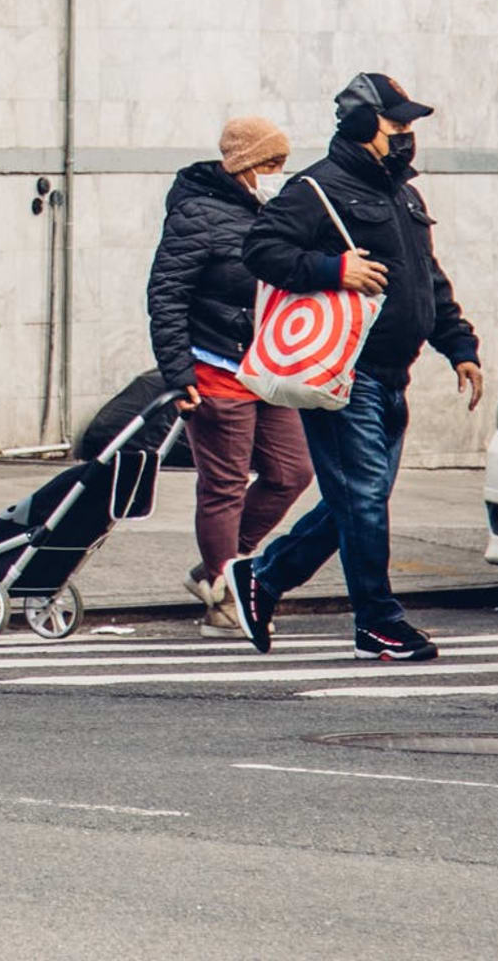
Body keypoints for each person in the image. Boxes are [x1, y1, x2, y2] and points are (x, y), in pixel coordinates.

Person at [226, 73, 484, 662]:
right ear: (366, 125)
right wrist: (331, 269)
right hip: (347, 376)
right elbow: (261, 249)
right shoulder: (317, 189)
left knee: (355, 501)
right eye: (398, 125)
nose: (407, 136)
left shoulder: (404, 193)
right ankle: (378, 623)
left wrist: (460, 345)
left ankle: (264, 579)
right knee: (363, 500)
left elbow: (426, 278)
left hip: (395, 376)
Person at [144, 115, 309, 629]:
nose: (279, 173)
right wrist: (178, 375)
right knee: (225, 483)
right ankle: (224, 594)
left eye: (283, 163)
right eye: (270, 164)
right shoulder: (197, 215)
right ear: (243, 165)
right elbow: (166, 295)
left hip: (267, 367)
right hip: (215, 367)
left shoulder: (272, 211)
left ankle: (219, 567)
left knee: (292, 472)